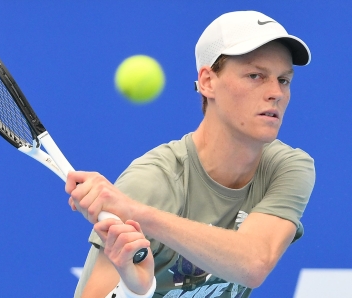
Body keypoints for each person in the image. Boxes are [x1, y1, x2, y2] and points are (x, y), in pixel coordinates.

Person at [67, 10, 315, 298]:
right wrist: (136, 291)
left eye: (284, 80)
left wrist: (138, 215)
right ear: (208, 81)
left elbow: (254, 263)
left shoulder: (288, 167)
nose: (276, 92)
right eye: (255, 75)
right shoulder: (152, 182)